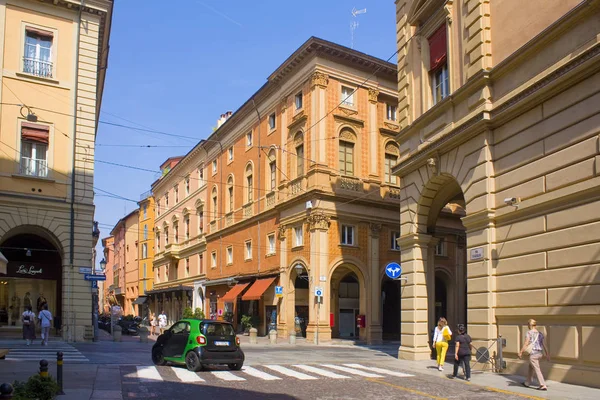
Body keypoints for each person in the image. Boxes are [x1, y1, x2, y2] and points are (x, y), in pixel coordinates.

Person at [519, 319, 550, 391]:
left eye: (528, 325)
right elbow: (544, 344)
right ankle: (527, 382)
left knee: (537, 369)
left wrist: (521, 351)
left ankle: (542, 385)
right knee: (531, 367)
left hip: (533, 354)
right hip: (540, 354)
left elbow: (526, 343)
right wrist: (547, 354)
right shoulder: (540, 333)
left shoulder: (529, 333)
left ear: (530, 325)